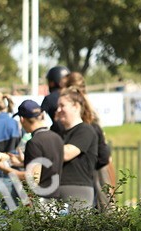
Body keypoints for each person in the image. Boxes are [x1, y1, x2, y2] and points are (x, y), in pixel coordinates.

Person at [0, 99, 64, 208]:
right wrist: (22, 161)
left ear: (22, 119)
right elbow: (48, 164)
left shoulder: (34, 142)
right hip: (56, 197)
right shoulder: (56, 137)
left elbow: (33, 178)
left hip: (41, 200)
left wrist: (6, 170)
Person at [62, 72, 115, 209]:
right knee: (106, 207)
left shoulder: (77, 111)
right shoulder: (91, 109)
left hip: (87, 167)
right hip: (98, 160)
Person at [53, 88, 99, 211]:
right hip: (56, 190)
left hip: (78, 190)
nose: (58, 110)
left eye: (62, 106)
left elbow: (67, 153)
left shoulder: (85, 130)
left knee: (76, 230)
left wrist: (44, 150)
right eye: (58, 106)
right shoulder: (58, 133)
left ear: (76, 106)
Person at [41, 65, 70, 134]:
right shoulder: (74, 95)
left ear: (52, 82)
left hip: (58, 135)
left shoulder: (49, 98)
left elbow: (39, 118)